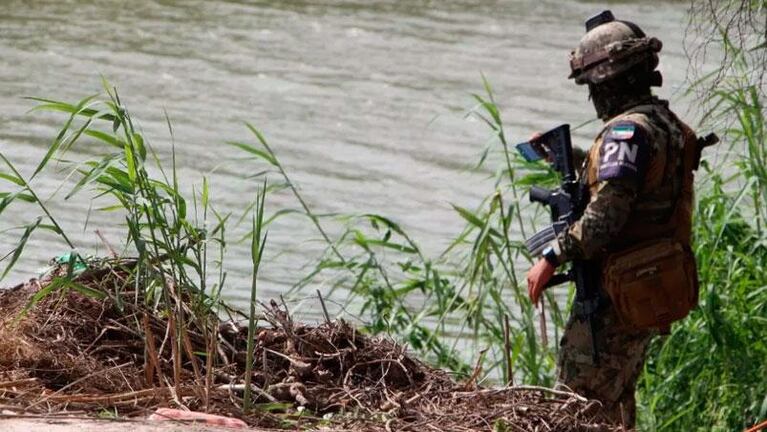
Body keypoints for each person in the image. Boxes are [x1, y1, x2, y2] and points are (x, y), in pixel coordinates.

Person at [525, 10, 701, 427]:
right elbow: (633, 184)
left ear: (604, 82)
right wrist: (569, 158)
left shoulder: (629, 132)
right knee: (617, 400)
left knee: (577, 402)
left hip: (616, 291)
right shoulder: (665, 124)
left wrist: (552, 255)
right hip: (646, 281)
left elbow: (608, 213)